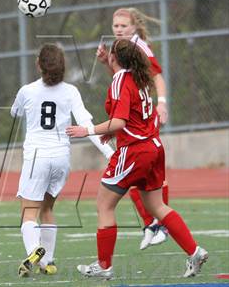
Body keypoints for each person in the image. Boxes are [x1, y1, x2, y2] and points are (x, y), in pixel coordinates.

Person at [66, 39, 208, 279]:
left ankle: (104, 265)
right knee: (156, 206)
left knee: (104, 204)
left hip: (135, 150)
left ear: (113, 57)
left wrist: (87, 130)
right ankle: (194, 251)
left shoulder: (121, 80)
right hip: (152, 146)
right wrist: (112, 132)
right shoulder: (138, 77)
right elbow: (133, 117)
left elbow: (121, 120)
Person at [11, 44, 114, 277]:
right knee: (47, 208)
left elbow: (14, 113)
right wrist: (109, 152)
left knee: (29, 211)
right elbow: (87, 123)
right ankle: (47, 261)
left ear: (39, 64)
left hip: (37, 156)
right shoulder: (71, 91)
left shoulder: (27, 91)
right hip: (61, 158)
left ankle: (34, 249)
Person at [96, 7, 169, 249]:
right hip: (133, 116)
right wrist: (108, 62)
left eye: (123, 26)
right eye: (115, 26)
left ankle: (160, 224)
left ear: (134, 27)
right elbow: (123, 78)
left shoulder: (140, 46)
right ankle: (153, 223)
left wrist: (162, 103)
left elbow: (156, 77)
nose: (118, 30)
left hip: (143, 117)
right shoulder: (119, 48)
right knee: (137, 172)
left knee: (145, 168)